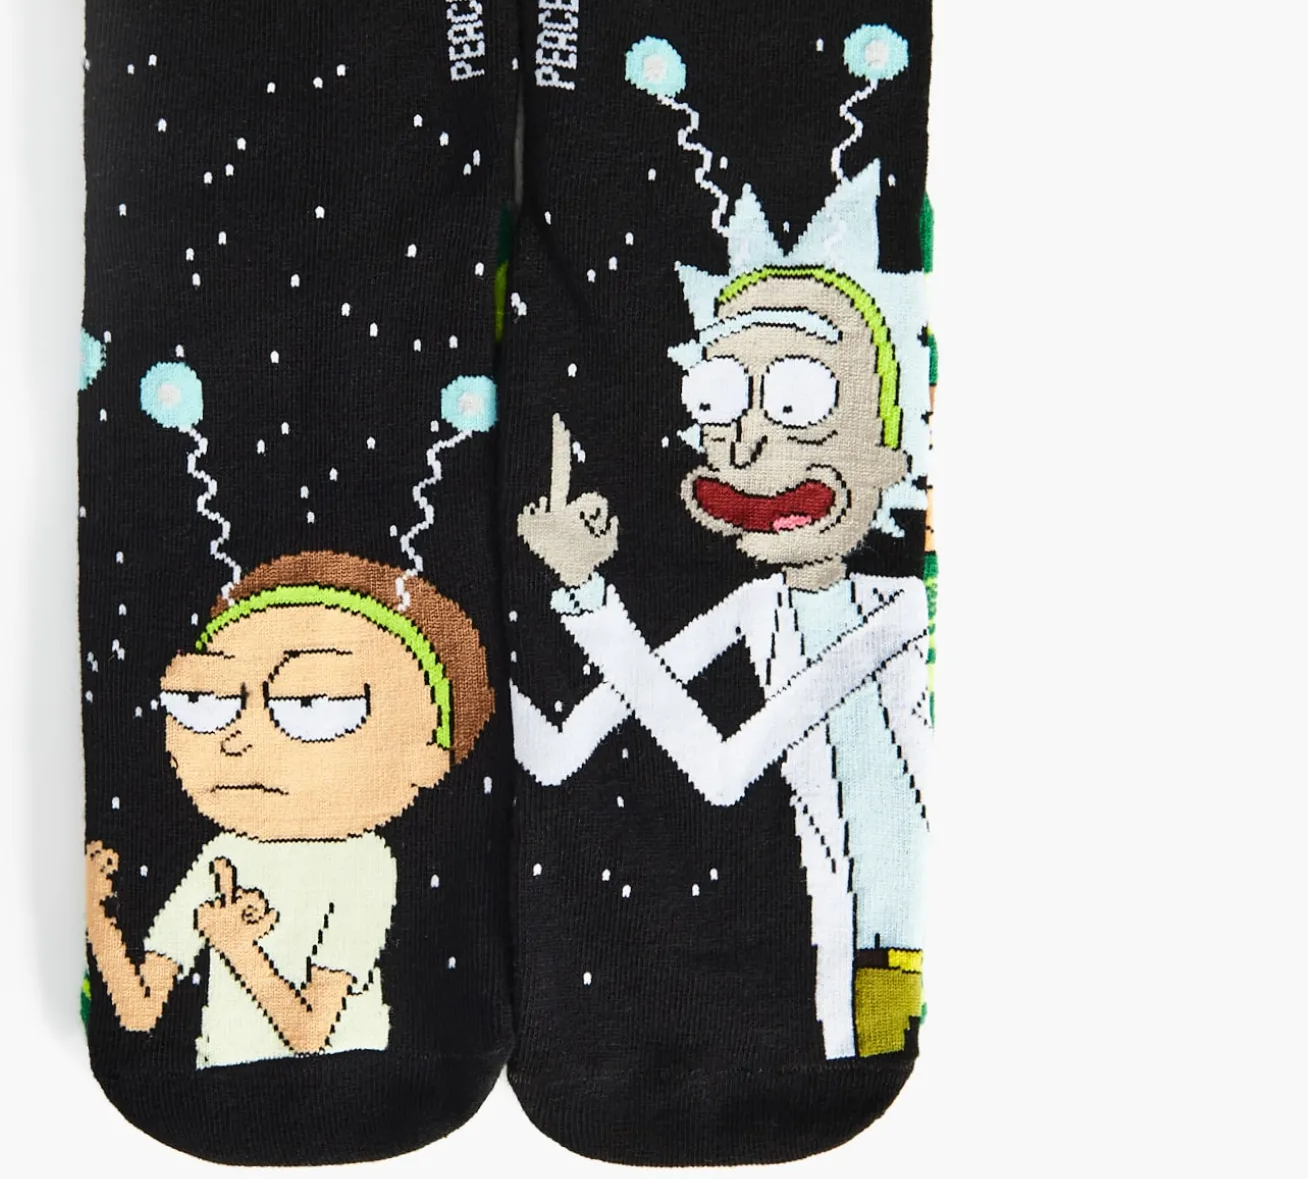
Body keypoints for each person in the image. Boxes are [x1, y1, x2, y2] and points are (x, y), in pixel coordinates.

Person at [513, 266, 929, 1061]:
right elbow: (562, 750)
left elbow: (722, 768)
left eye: (798, 400)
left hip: (886, 949)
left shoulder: (898, 614)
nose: (746, 443)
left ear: (886, 452)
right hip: (830, 938)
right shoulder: (755, 606)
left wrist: (592, 597)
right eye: (716, 401)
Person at [86, 551, 494, 1068]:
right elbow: (138, 1013)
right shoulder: (223, 854)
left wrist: (237, 947)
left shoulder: (362, 862)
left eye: (314, 704)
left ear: (427, 756)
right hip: (219, 1074)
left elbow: (309, 1033)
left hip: (349, 1075)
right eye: (208, 700)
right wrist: (98, 912)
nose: (237, 738)